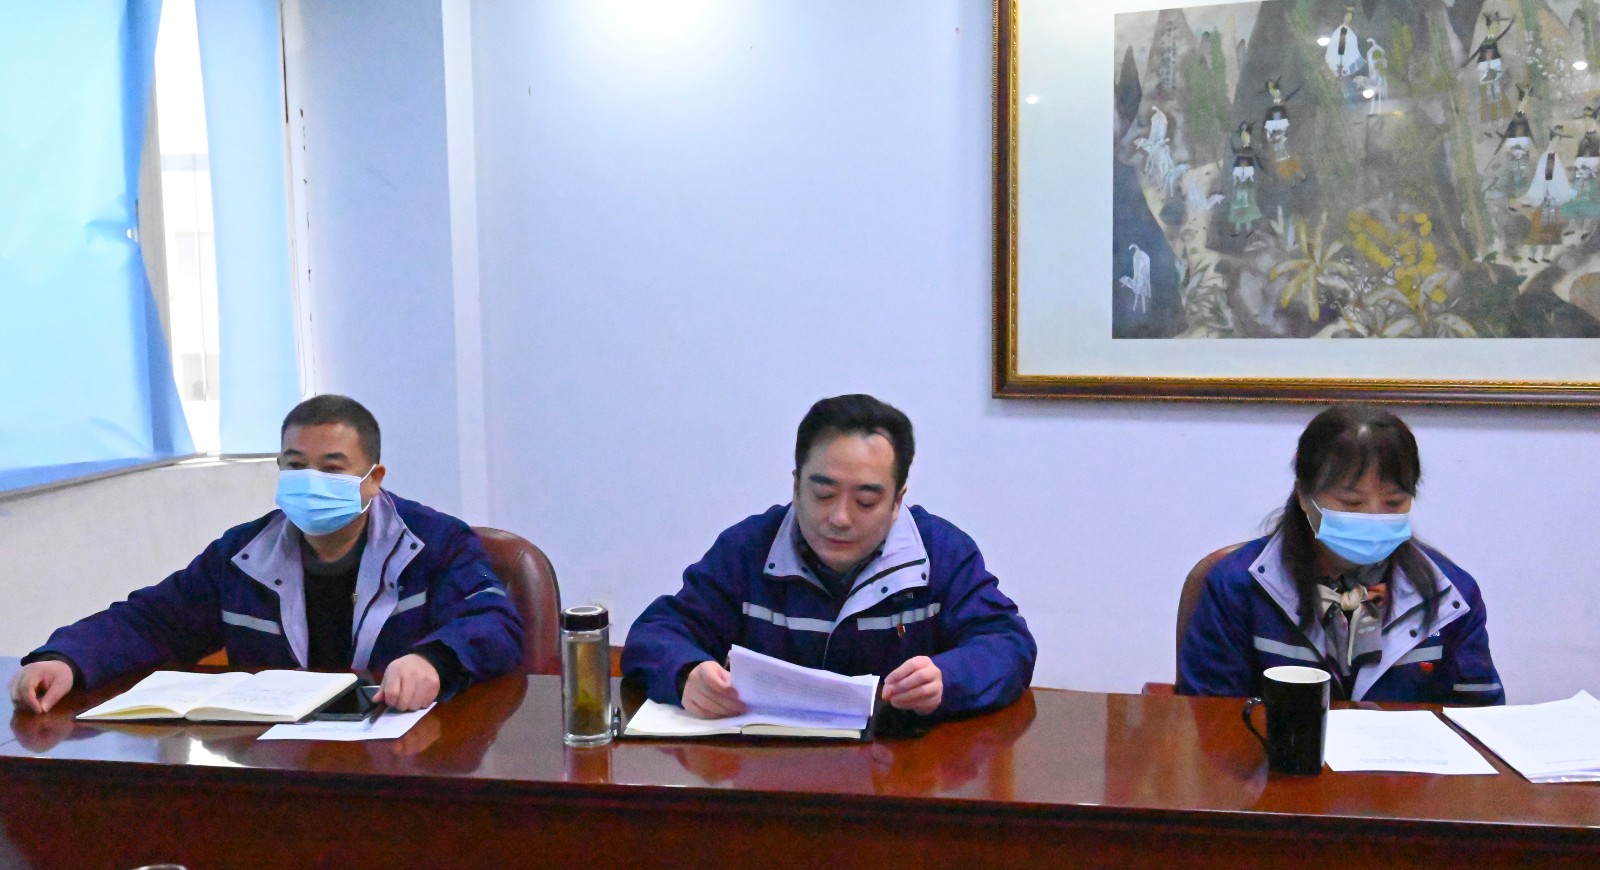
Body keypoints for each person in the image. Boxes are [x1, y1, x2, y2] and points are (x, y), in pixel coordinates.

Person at [9, 395, 524, 714]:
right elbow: (152, 620)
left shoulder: (435, 543)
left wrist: (433, 660)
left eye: (333, 468)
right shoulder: (243, 555)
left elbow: (494, 622)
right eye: (296, 465)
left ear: (374, 479)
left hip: (407, 756)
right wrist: (66, 659)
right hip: (279, 760)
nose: (311, 480)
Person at [622, 394, 1035, 722]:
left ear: (897, 501)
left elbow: (1008, 644)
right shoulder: (748, 549)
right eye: (822, 494)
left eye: (866, 500)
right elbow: (658, 632)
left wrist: (948, 678)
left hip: (898, 774)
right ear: (796, 486)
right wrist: (686, 673)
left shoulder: (941, 553)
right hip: (772, 773)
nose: (839, 518)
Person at [1177, 404, 1502, 704]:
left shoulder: (1449, 595)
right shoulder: (1237, 587)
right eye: (1352, 503)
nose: (1374, 517)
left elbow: (1479, 718)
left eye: (1394, 503)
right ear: (1305, 496)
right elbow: (1209, 718)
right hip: (1276, 749)